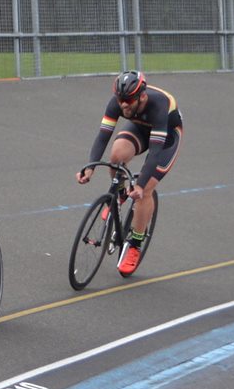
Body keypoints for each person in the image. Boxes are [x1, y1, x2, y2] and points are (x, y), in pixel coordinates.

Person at [77, 70, 183, 276]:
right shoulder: (117, 103)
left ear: (142, 96)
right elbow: (102, 137)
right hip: (140, 127)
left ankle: (135, 243)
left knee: (147, 188)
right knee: (116, 156)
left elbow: (154, 152)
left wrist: (141, 185)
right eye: (120, 99)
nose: (123, 104)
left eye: (128, 100)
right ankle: (119, 194)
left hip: (166, 137)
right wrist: (89, 168)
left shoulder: (160, 105)